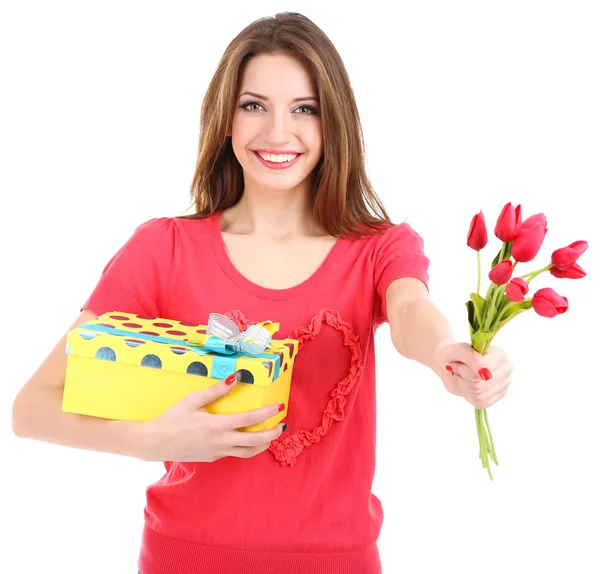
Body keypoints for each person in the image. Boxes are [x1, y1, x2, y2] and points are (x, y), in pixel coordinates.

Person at [11, 11, 513, 574]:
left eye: (305, 109)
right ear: (226, 119)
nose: (278, 133)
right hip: (185, 559)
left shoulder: (378, 247)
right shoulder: (163, 249)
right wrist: (149, 439)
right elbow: (31, 409)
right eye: (255, 106)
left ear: (334, 124)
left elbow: (411, 309)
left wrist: (446, 354)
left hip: (337, 563)